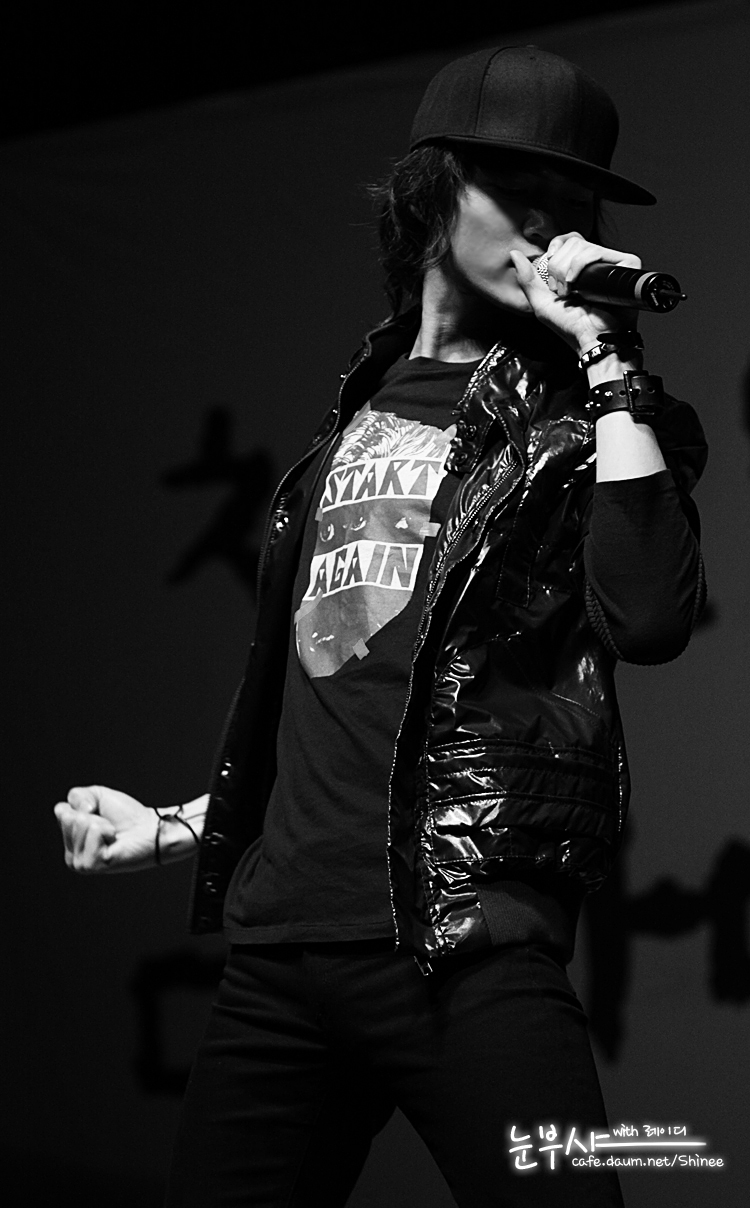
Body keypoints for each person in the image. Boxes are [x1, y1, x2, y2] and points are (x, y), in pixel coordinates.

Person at [54, 45, 706, 1208]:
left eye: (571, 199)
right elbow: (352, 697)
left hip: (462, 941)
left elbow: (650, 616)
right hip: (279, 955)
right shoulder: (353, 412)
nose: (548, 222)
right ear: (432, 192)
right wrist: (181, 824)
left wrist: (610, 358)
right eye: (518, 187)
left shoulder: (593, 422)